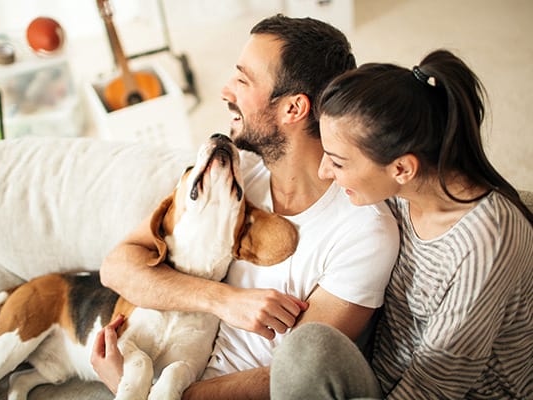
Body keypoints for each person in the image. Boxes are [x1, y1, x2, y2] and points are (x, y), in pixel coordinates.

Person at [92, 14, 400, 399]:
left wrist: (142, 390)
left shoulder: (364, 231)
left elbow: (294, 376)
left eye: (243, 79)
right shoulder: (237, 171)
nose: (225, 89)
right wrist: (223, 300)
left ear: (293, 109)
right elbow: (117, 265)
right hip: (166, 364)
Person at [270, 49, 533, 399]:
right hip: (382, 369)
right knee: (305, 346)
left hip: (440, 392)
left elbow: (435, 387)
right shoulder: (398, 193)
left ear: (402, 169)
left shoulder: (487, 240)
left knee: (305, 353)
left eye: (337, 162)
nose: (324, 173)